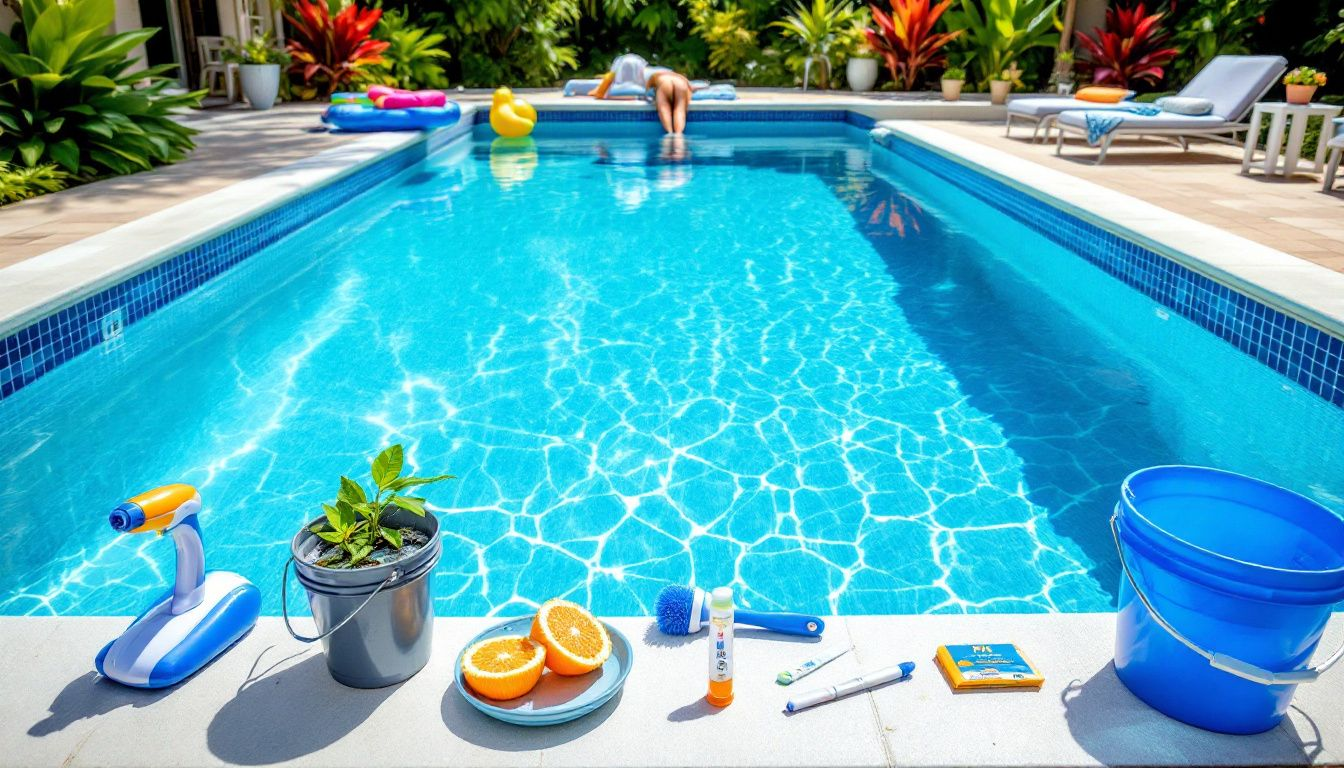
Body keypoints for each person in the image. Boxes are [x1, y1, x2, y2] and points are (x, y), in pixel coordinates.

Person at [647, 68, 691, 134]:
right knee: (680, 110)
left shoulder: (654, 76)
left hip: (664, 83)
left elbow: (647, 91)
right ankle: (678, 135)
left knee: (664, 108)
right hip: (681, 84)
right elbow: (690, 88)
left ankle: (669, 133)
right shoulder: (680, 77)